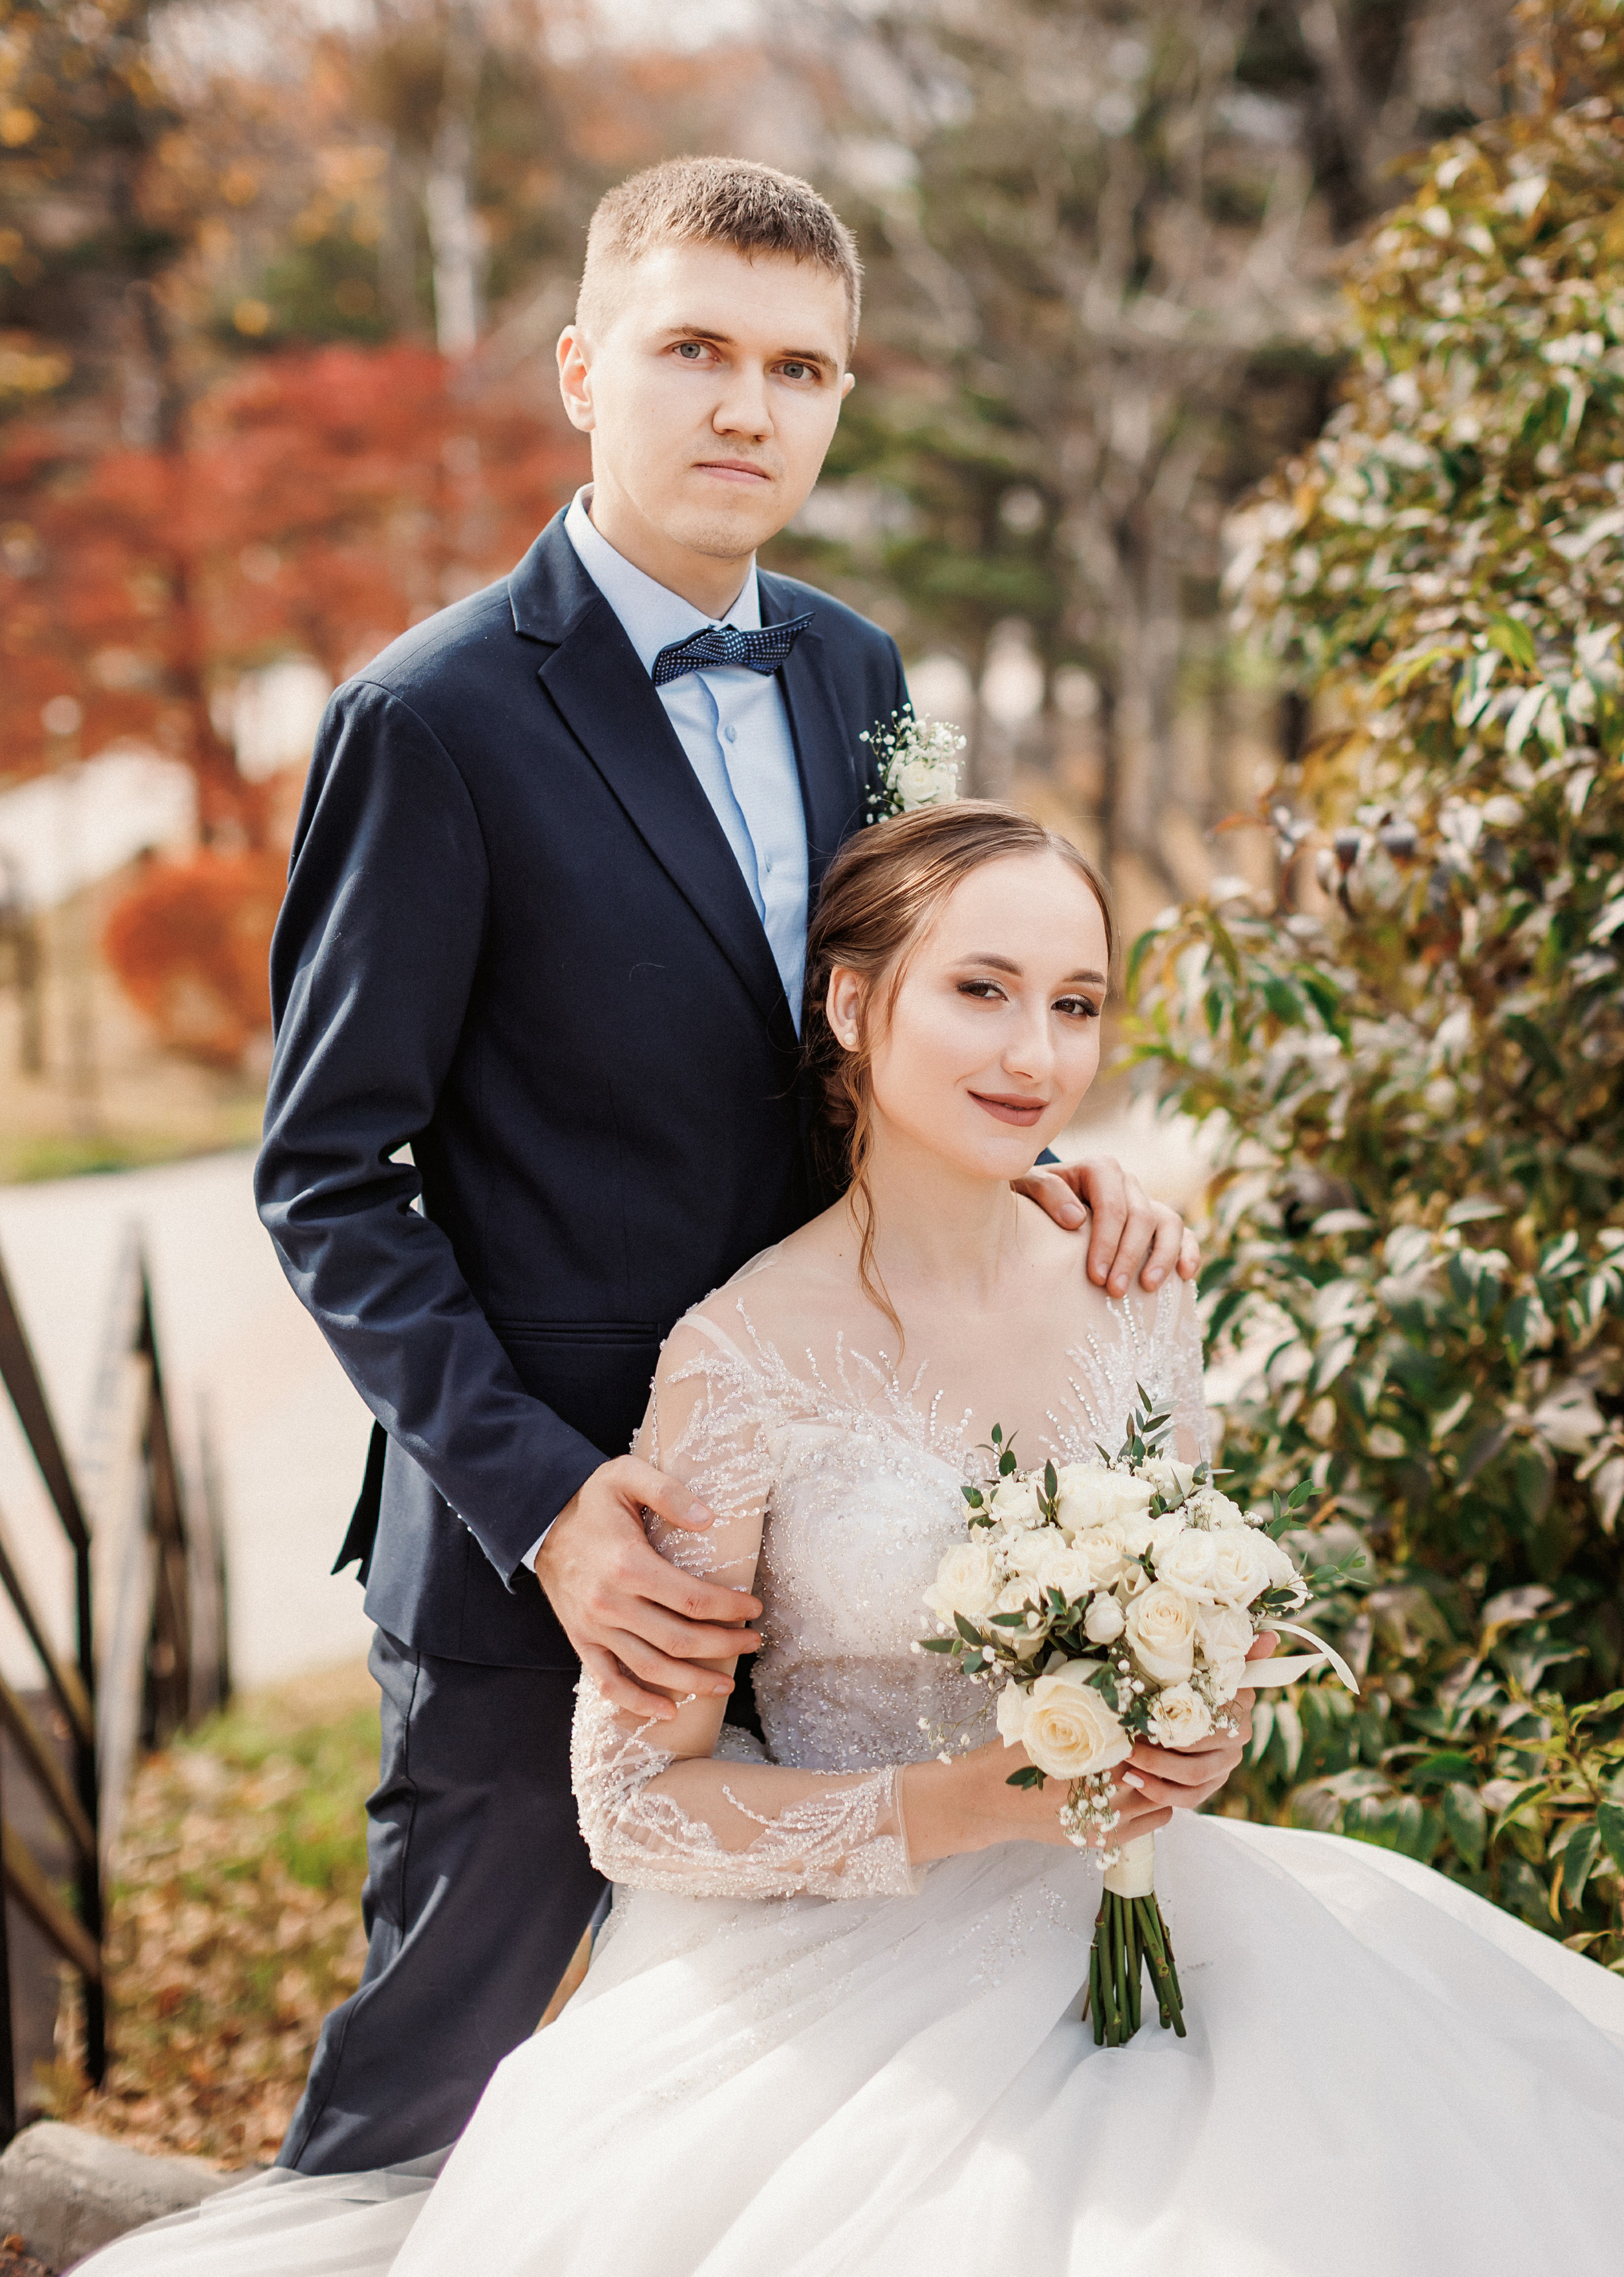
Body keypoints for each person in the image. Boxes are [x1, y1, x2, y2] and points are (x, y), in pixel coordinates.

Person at [89, 804, 1624, 2276]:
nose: (1035, 1054)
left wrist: (1199, 1734)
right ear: (851, 1005)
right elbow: (635, 1806)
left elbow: (1207, 1633)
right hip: (842, 1986)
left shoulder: (1134, 1284)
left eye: (1075, 1004)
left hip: (1163, 1918)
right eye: (980, 990)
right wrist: (954, 1807)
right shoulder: (740, 1358)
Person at [251, 156, 1197, 2174]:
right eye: (694, 350)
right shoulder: (425, 721)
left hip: (858, 1525)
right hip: (580, 1553)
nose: (747, 408)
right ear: (584, 371)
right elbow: (326, 1177)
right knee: (435, 2082)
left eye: (800, 368)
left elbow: (915, 1014)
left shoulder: (864, 674)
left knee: (797, 2107)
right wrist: (548, 1507)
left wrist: (1048, 1176)